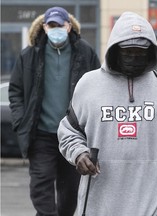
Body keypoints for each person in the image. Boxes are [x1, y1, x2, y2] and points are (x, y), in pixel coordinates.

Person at [57, 11, 157, 216]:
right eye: (128, 51)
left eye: (141, 52)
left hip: (154, 203)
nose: (134, 57)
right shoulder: (88, 84)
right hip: (100, 205)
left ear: (151, 52)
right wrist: (79, 154)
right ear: (115, 50)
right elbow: (68, 131)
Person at [9, 6, 101, 216]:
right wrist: (20, 120)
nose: (56, 29)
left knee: (70, 190)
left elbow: (99, 87)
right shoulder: (30, 54)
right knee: (41, 185)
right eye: (52, 25)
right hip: (41, 134)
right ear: (44, 27)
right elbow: (15, 90)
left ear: (69, 27)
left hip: (74, 135)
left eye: (60, 25)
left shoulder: (85, 52)